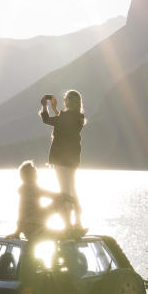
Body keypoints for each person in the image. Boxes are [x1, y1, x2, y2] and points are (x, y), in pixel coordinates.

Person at [40, 89, 85, 231]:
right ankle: (77, 222)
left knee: (64, 192)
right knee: (72, 190)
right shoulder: (79, 117)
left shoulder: (65, 117)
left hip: (60, 159)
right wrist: (55, 109)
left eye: (66, 100)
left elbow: (47, 120)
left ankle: (68, 225)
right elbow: (64, 122)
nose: (65, 102)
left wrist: (45, 106)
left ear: (67, 102)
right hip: (73, 159)